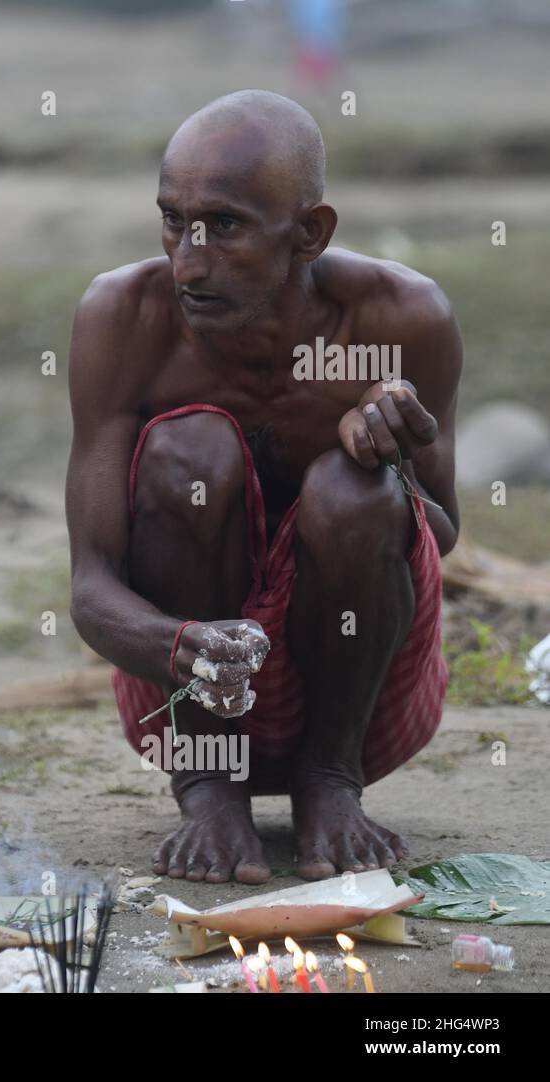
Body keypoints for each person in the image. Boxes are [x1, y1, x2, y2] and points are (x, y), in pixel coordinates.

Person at [66, 90, 458, 885]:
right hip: (183, 694)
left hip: (359, 696)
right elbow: (91, 587)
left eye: (226, 226)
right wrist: (182, 647)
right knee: (188, 450)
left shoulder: (401, 318)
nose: (188, 261)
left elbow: (441, 532)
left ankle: (330, 785)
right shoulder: (122, 317)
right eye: (173, 220)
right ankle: (209, 790)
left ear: (310, 233)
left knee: (353, 487)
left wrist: (385, 452)